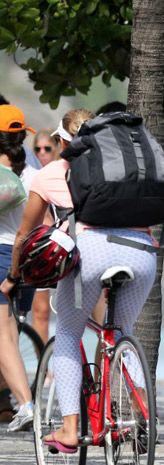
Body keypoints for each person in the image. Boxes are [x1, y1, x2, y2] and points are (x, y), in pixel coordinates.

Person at [0, 108, 158, 452]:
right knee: (120, 331)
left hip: (91, 252)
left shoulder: (53, 172)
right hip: (143, 251)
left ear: (62, 141)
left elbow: (26, 233)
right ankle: (145, 413)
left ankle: (70, 430)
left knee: (69, 333)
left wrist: (13, 277)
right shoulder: (126, 166)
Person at [0, 104, 38, 432]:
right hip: (30, 258)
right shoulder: (35, 169)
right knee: (10, 334)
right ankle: (12, 403)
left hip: (1, 253)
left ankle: (25, 404)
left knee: (3, 336)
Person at [28, 129, 61, 343]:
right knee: (40, 311)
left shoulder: (63, 174)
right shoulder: (32, 176)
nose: (42, 153)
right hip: (40, 248)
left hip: (62, 246)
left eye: (47, 148)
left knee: (69, 314)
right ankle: (44, 370)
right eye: (37, 149)